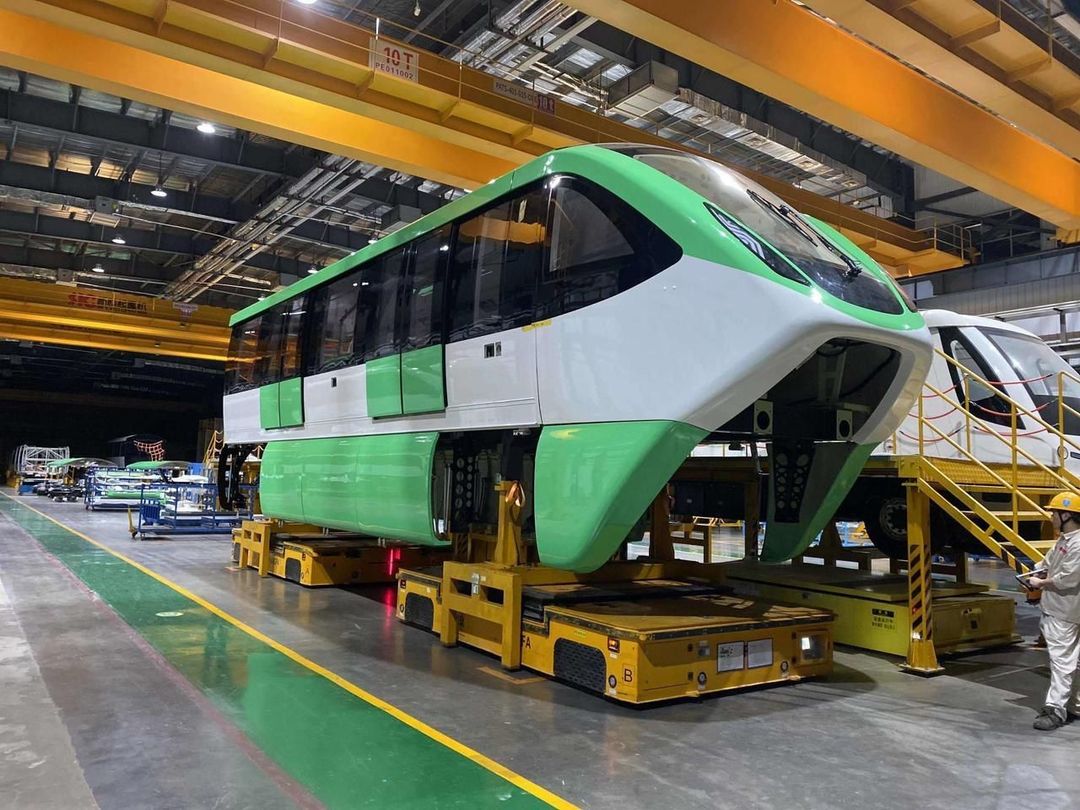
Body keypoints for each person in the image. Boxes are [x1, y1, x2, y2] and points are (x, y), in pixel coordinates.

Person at [1024, 491, 1080, 731]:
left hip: (1063, 610)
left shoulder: (1077, 544)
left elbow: (1068, 579)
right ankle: (1075, 705)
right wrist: (1035, 572)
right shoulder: (1064, 540)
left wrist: (1041, 583)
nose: (1051, 517)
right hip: (1066, 609)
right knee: (1073, 661)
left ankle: (1055, 710)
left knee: (1061, 661)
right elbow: (1048, 563)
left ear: (1066, 515)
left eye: (1054, 513)